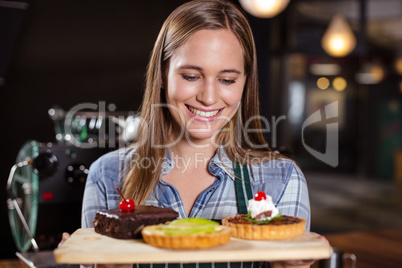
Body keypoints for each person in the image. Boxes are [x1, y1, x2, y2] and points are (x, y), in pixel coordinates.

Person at [62, 0, 316, 267]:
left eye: (227, 80)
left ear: (245, 82)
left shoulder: (281, 179)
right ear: (162, 73)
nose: (208, 97)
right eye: (191, 76)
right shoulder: (107, 174)